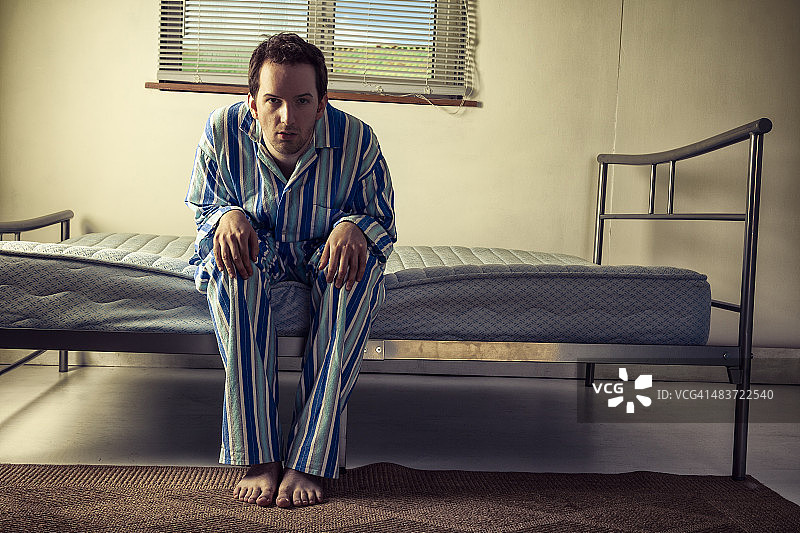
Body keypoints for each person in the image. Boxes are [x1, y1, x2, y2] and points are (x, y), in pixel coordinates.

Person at [185, 33, 396, 508]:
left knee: (356, 276)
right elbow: (204, 206)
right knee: (231, 268)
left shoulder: (359, 141)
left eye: (302, 101)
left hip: (323, 249)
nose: (287, 117)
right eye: (273, 101)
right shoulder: (220, 131)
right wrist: (226, 215)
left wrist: (355, 226)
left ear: (321, 103)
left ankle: (308, 459)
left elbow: (381, 219)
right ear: (252, 101)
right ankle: (259, 456)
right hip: (256, 244)